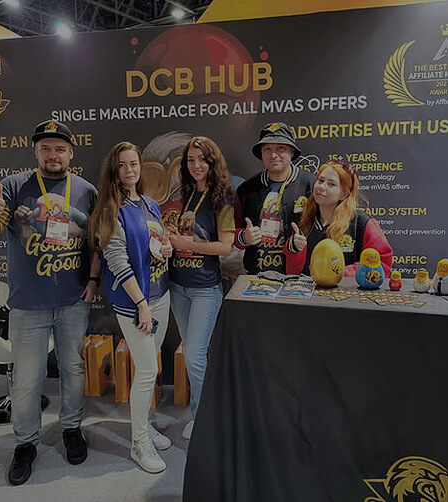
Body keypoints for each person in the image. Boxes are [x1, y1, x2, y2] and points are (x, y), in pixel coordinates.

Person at [0, 119, 99, 485]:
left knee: (73, 369)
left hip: (73, 300)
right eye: (45, 148)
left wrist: (93, 280)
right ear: (36, 152)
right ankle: (26, 443)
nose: (52, 155)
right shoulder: (14, 186)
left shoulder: (86, 190)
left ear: (71, 153)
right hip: (28, 305)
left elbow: (94, 240)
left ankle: (71, 428)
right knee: (28, 379)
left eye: (59, 148)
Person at [88, 141, 172, 474]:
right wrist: (141, 304)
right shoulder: (110, 209)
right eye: (122, 165)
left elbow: (156, 242)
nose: (129, 170)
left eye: (133, 164)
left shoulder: (150, 204)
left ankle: (144, 425)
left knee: (149, 368)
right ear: (114, 169)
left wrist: (165, 247)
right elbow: (118, 262)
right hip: (135, 303)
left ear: (141, 167)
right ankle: (139, 443)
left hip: (160, 293)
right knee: (148, 370)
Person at [168, 136, 235, 439]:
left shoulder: (222, 197)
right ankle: (200, 414)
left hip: (205, 288)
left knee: (195, 356)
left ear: (213, 162)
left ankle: (207, 420)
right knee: (193, 355)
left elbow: (225, 247)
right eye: (191, 160)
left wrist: (185, 243)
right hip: (178, 286)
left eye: (202, 160)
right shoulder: (186, 193)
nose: (196, 165)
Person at [283, 160, 393, 276]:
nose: (321, 187)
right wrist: (294, 249)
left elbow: (381, 264)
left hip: (348, 288)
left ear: (344, 194)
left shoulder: (360, 222)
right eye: (320, 181)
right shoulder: (303, 219)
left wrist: (340, 273)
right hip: (307, 287)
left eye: (331, 184)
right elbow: (292, 273)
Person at [234, 122, 315, 275]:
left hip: (299, 276)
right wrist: (244, 237)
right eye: (267, 149)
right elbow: (233, 233)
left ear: (292, 151)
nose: (273, 155)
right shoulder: (246, 189)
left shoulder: (311, 186)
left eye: (280, 148)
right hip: (256, 275)